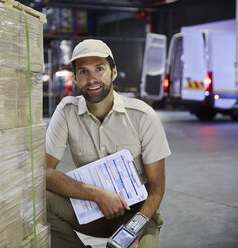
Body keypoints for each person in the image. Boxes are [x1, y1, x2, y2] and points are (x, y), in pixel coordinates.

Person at [45, 39, 171, 248]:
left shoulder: (143, 116)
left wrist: (132, 230)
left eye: (99, 68)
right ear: (76, 78)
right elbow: (45, 172)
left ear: (113, 72)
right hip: (92, 209)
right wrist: (97, 195)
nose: (92, 78)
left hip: (138, 211)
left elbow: (157, 189)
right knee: (39, 202)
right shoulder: (67, 112)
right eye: (83, 71)